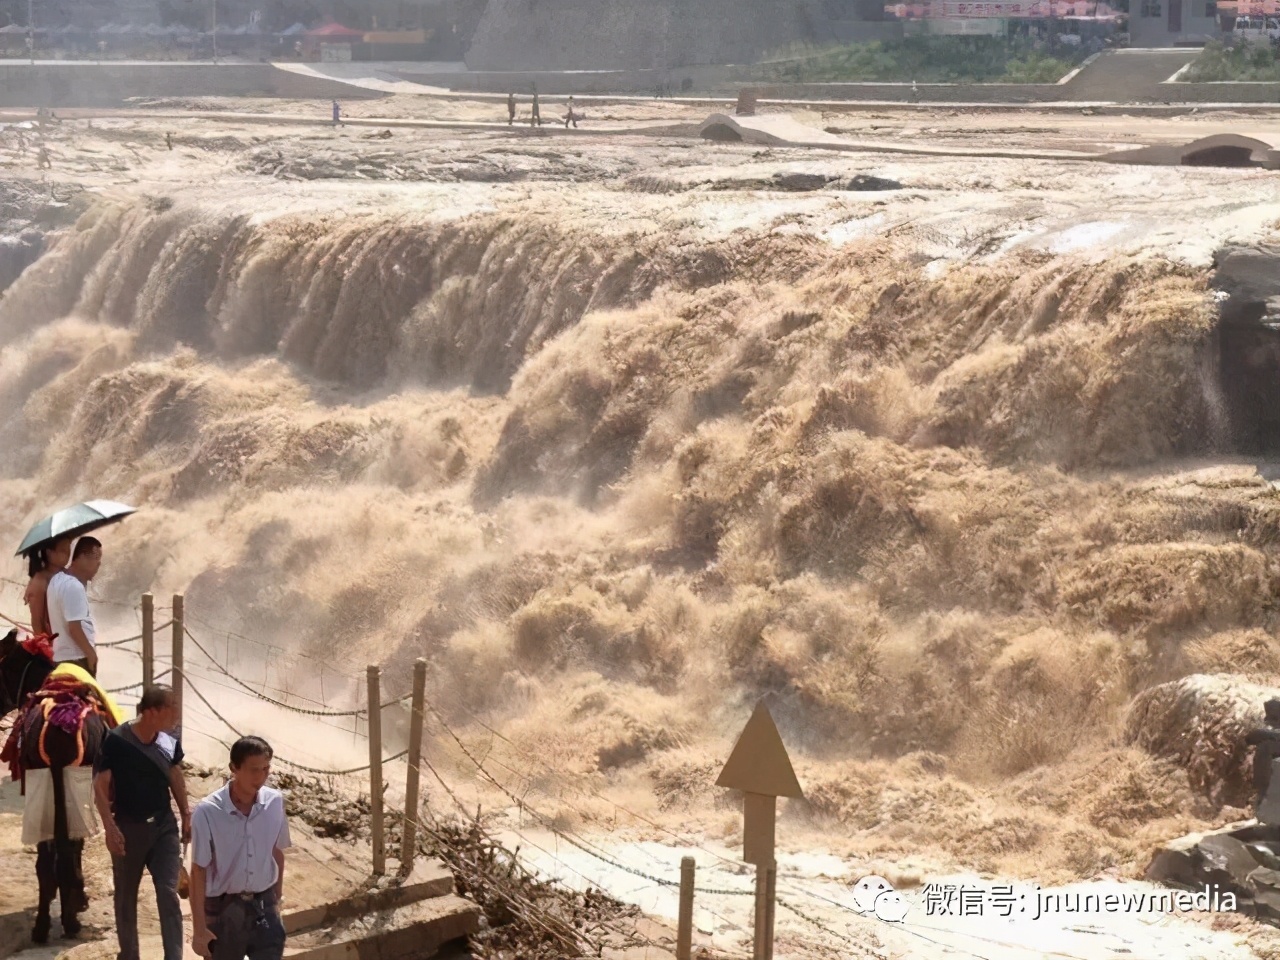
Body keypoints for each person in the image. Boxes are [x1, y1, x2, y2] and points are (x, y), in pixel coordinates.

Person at [93, 685, 190, 960]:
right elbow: (100, 787)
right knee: (126, 898)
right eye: (171, 707)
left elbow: (175, 775)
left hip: (164, 827)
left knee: (168, 892)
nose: (176, 713)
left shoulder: (168, 740)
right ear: (151, 712)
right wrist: (110, 829)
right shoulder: (116, 741)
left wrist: (186, 814)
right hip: (128, 829)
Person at [191, 736, 290, 960]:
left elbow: (276, 852)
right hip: (224, 911)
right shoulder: (207, 812)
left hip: (264, 905)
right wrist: (199, 929)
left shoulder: (274, 802)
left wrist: (277, 899)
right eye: (254, 770)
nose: (261, 776)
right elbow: (199, 871)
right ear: (234, 768)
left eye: (266, 769)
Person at [47, 537, 101, 676]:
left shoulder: (56, 579)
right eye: (96, 558)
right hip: (77, 658)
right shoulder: (73, 586)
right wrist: (91, 654)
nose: (99, 564)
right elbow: (74, 628)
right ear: (82, 557)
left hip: (61, 658)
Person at [24, 537, 71, 638]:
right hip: (54, 638)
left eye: (69, 549)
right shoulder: (40, 581)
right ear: (49, 552)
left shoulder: (67, 574)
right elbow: (37, 621)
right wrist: (45, 642)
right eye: (63, 550)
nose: (68, 553)